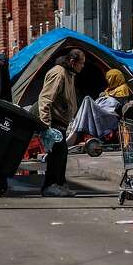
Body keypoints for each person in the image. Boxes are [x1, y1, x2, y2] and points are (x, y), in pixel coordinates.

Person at [37, 48, 85, 197]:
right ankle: (50, 185)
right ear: (72, 61)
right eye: (81, 63)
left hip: (62, 121)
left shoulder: (69, 73)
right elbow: (45, 99)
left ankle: (60, 184)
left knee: (61, 153)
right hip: (54, 121)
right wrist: (46, 125)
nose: (82, 66)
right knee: (57, 153)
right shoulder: (59, 73)